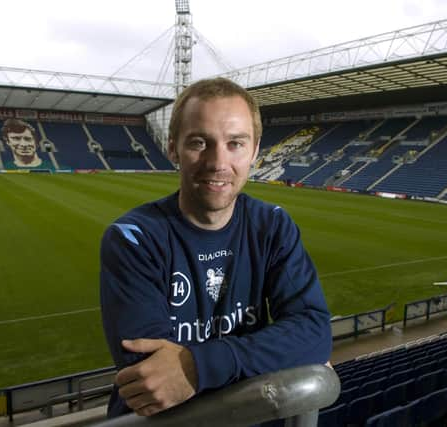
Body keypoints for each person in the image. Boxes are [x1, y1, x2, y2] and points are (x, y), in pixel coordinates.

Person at [99, 77, 332, 422]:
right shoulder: (133, 239)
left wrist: (196, 367)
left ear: (254, 151)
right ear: (172, 148)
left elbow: (314, 332)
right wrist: (276, 353)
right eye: (199, 142)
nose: (218, 162)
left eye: (235, 143)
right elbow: (151, 379)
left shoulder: (273, 226)